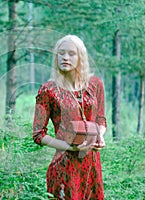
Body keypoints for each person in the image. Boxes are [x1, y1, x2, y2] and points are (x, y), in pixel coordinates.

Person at [33, 35, 107, 200]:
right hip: (64, 167)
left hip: (92, 168)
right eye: (61, 53)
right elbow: (38, 134)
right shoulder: (48, 90)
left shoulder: (95, 85)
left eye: (71, 53)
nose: (65, 57)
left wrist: (99, 136)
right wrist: (68, 146)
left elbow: (101, 119)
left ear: (81, 57)